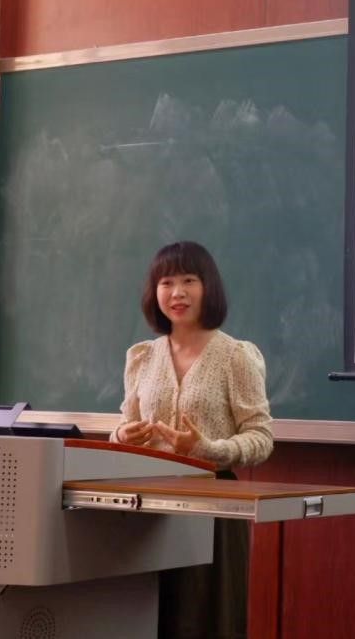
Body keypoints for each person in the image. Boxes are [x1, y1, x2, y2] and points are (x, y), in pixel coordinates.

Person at [110, 240, 273, 639]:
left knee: (204, 623)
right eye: (166, 283)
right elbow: (123, 426)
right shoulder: (142, 357)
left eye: (188, 281)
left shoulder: (236, 356)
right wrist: (122, 435)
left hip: (213, 507)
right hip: (147, 508)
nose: (177, 293)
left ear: (208, 287)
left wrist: (207, 450)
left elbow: (261, 437)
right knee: (146, 620)